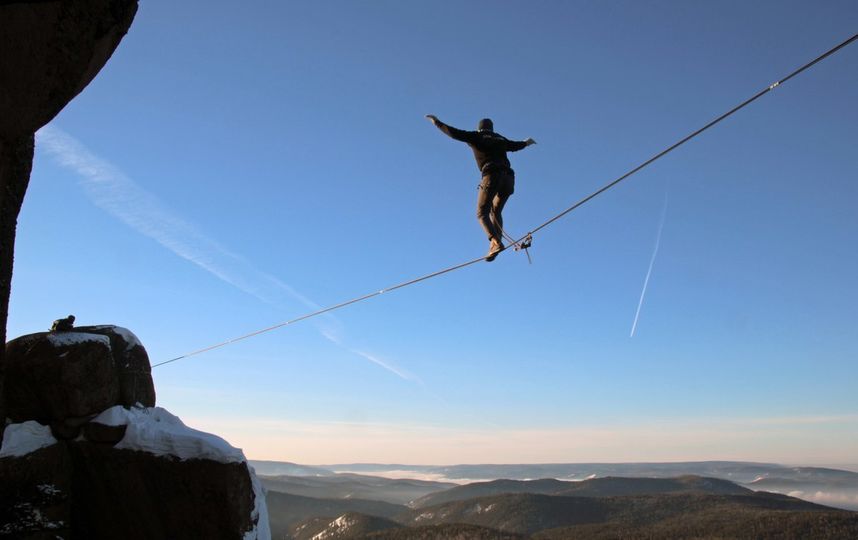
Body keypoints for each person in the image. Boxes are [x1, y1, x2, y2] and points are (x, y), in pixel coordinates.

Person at [426, 115, 536, 261]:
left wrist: (437, 122)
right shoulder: (500, 138)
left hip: (492, 175)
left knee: (481, 213)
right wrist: (526, 142)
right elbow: (515, 146)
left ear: (479, 128)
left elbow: (454, 133)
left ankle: (495, 242)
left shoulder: (476, 136)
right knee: (496, 211)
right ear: (491, 128)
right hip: (508, 179)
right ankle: (497, 241)